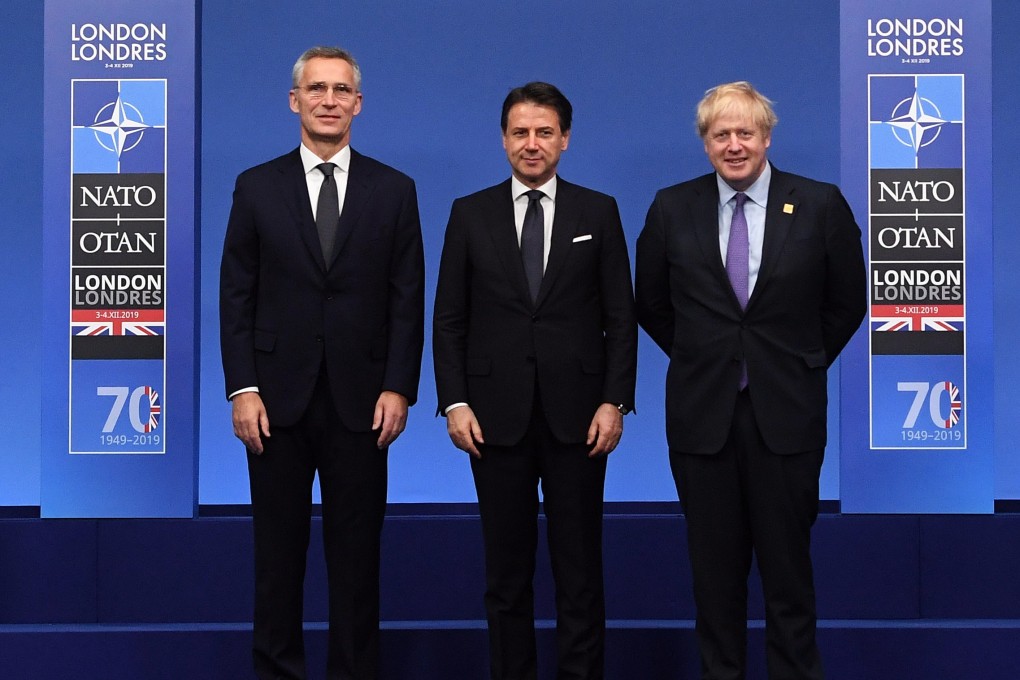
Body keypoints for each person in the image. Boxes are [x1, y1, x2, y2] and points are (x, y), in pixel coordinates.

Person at [635, 81, 866, 680]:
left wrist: (795, 360)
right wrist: (705, 357)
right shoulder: (670, 207)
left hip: (786, 417)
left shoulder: (819, 203)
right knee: (714, 581)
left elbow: (846, 303)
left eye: (745, 133)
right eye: (721, 135)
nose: (734, 145)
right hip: (702, 419)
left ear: (766, 137)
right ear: (705, 142)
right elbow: (652, 305)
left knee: (789, 578)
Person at [219, 46, 424, 680]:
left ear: (357, 104)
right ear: (295, 100)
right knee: (277, 558)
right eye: (316, 89)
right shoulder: (256, 186)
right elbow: (236, 294)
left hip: (363, 404)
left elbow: (406, 296)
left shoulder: (394, 189)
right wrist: (242, 387)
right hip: (274, 403)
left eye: (340, 91)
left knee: (357, 559)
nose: (328, 100)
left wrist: (400, 386)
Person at [433, 82, 637, 680]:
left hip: (581, 418)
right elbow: (449, 318)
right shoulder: (469, 213)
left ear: (565, 140)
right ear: (503, 140)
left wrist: (614, 400)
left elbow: (619, 317)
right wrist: (454, 401)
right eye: (520, 132)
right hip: (492, 419)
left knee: (579, 572)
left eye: (544, 132)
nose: (531, 143)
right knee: (506, 574)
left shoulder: (597, 212)